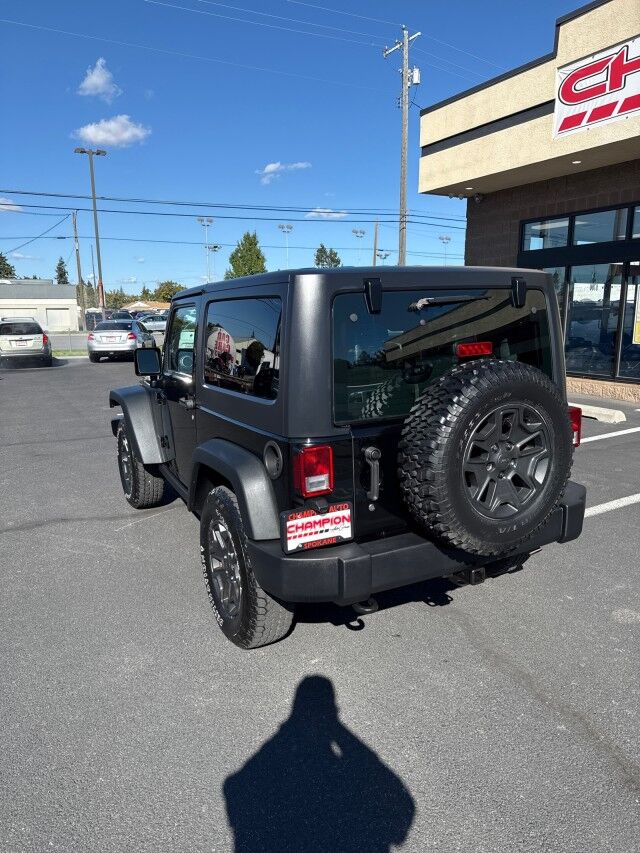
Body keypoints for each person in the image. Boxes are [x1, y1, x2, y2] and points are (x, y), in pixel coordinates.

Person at [224, 676, 415, 852]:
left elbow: (239, 784)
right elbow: (393, 793)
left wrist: (291, 728)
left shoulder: (248, 784)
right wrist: (336, 728)